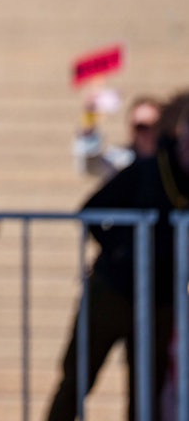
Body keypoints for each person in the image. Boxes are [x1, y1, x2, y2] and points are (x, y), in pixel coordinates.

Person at [46, 90, 189, 421]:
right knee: (76, 379)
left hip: (162, 300)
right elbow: (91, 210)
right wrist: (120, 252)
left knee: (147, 393)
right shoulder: (147, 168)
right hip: (112, 290)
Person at [74, 94, 162, 181]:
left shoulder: (171, 161)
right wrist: (89, 123)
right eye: (141, 127)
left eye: (155, 126)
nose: (149, 133)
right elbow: (91, 166)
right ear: (131, 129)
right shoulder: (120, 160)